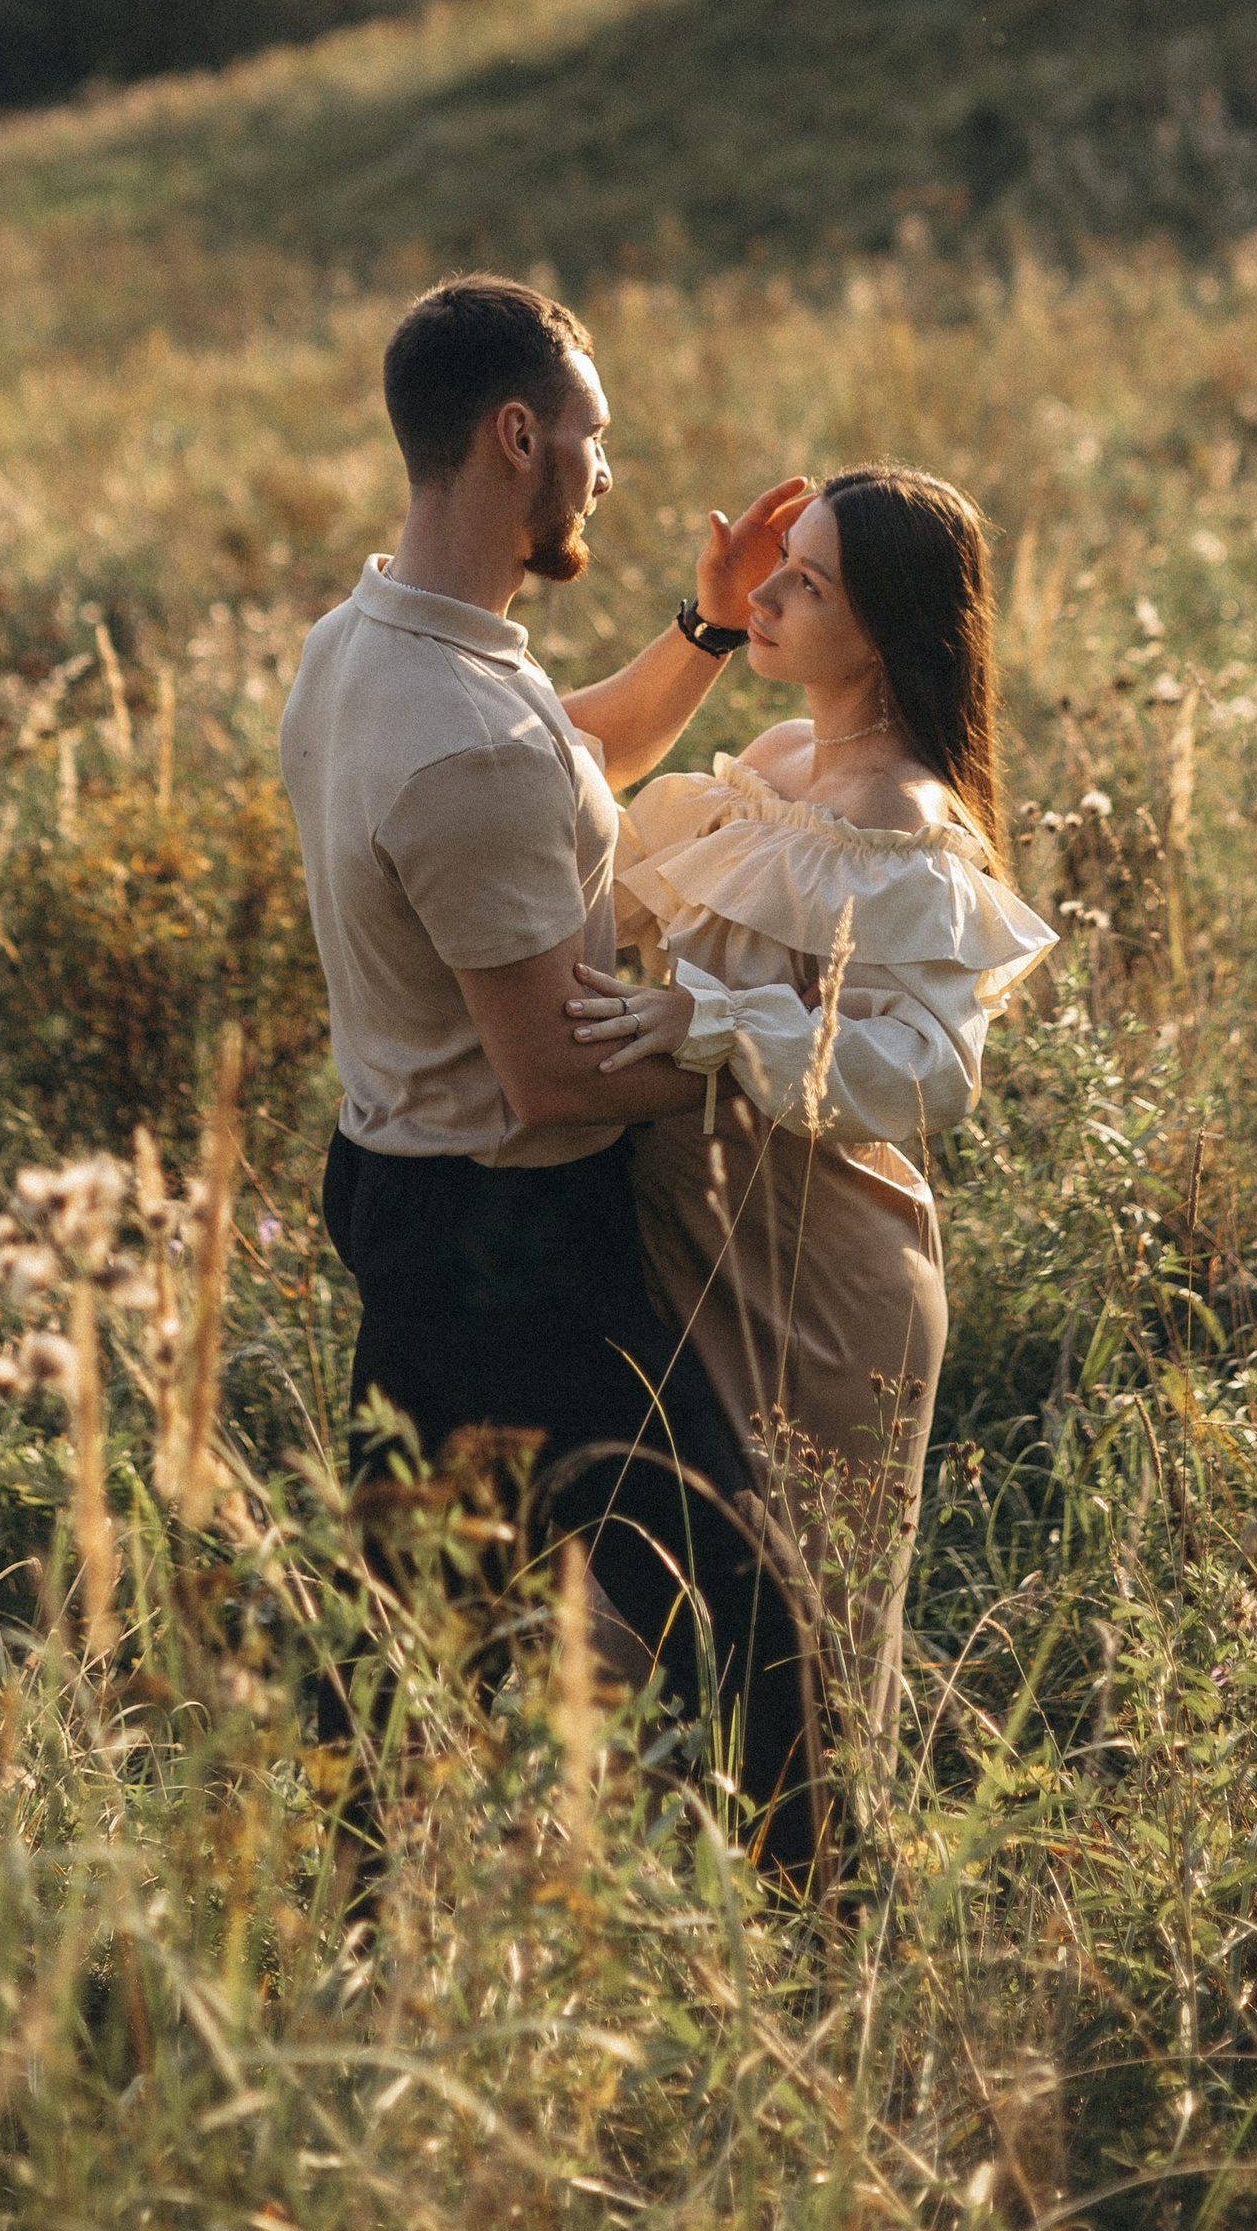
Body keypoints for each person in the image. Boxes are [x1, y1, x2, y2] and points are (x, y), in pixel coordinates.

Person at [279, 271, 819, 1846]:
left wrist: (711, 625)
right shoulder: (465, 744)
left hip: (397, 1186)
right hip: (511, 1244)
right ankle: (827, 1956)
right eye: (594, 435)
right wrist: (767, 1044)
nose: (609, 469)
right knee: (748, 1615)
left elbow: (565, 762)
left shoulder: (371, 643)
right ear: (519, 435)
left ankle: (351, 1923)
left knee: (404, 1640)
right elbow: (560, 1082)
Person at [565, 466, 1055, 1770]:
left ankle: (834, 1942)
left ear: (888, 628)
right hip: (681, 1223)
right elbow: (606, 870)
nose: (772, 592)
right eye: (781, 563)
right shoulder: (780, 761)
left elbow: (923, 1073)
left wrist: (713, 1024)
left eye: (808, 582)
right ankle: (582, 1911)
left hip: (820, 1273)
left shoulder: (905, 823)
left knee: (814, 1647)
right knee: (606, 1588)